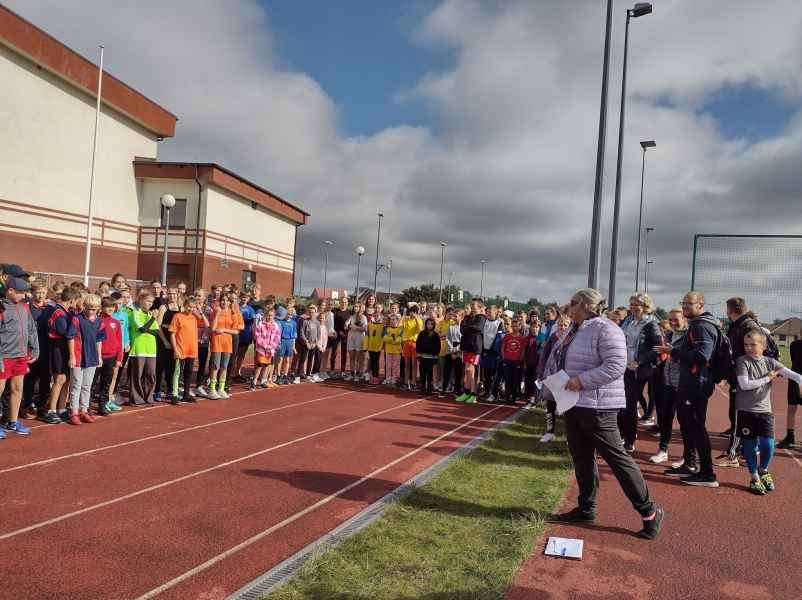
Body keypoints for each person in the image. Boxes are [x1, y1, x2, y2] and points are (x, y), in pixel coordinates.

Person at [546, 288, 663, 539]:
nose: (568, 306)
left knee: (617, 459)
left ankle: (650, 512)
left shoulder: (607, 329)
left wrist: (581, 381)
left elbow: (616, 365)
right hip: (574, 403)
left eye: (573, 302)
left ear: (586, 305)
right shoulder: (574, 329)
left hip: (598, 406)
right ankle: (586, 508)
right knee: (582, 457)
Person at [654, 291, 721, 487]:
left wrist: (673, 351)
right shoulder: (697, 324)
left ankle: (707, 474)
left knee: (696, 426)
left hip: (696, 384)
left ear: (701, 305)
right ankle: (690, 464)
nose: (685, 307)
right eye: (683, 303)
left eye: (689, 304)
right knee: (687, 424)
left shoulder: (702, 326)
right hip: (690, 382)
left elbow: (702, 356)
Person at [735, 329, 802, 494]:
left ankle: (763, 470)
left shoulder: (771, 362)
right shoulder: (742, 361)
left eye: (753, 345)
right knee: (750, 445)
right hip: (746, 410)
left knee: (768, 445)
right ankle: (754, 477)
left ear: (763, 346)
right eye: (746, 345)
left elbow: (795, 376)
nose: (749, 348)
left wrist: (800, 383)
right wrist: (768, 378)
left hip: (765, 411)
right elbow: (745, 385)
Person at [718, 297, 778, 467]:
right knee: (741, 417)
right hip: (740, 377)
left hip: (747, 380)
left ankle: (734, 455)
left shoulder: (748, 326)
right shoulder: (738, 326)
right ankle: (745, 452)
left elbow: (761, 353)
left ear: (730, 310)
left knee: (739, 417)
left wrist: (750, 375)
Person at [651, 309, 695, 469]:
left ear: (684, 319)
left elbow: (692, 357)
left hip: (683, 384)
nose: (673, 323)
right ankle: (663, 450)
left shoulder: (689, 335)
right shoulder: (669, 335)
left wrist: (673, 353)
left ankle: (687, 456)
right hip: (668, 382)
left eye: (676, 320)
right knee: (665, 417)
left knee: (685, 421)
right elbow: (663, 355)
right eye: (670, 320)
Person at [620, 293, 663, 452]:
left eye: (636, 304)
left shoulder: (651, 324)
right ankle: (622, 435)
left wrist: (639, 361)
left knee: (630, 404)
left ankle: (629, 440)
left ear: (645, 307)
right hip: (623, 367)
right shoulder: (629, 321)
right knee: (621, 403)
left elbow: (657, 348)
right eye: (631, 304)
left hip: (639, 370)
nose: (633, 307)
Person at [0, 277, 39, 436]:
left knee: (17, 389)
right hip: (4, 357)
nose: (24, 296)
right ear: (10, 291)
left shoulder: (24, 307)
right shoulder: (1, 308)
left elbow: (31, 329)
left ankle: (13, 422)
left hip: (21, 356)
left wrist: (35, 348)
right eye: (20, 292)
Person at [67, 294, 106, 425]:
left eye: (94, 309)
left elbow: (99, 339)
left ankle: (84, 410)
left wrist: (99, 356)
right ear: (84, 306)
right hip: (78, 357)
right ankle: (74, 412)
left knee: (87, 386)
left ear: (98, 308)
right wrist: (72, 356)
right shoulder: (77, 319)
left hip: (92, 357)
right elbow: (71, 337)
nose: (91, 311)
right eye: (88, 308)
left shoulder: (100, 321)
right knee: (76, 385)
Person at [44, 288, 80, 422]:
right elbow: (64, 331)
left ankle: (62, 408)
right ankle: (51, 410)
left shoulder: (67, 312)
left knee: (67, 379)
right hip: (58, 348)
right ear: (72, 300)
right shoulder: (58, 312)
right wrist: (75, 320)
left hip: (64, 348)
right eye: (76, 301)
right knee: (59, 379)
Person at [537, 315, 571, 442]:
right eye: (561, 325)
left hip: (566, 376)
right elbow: (544, 357)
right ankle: (549, 432)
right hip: (552, 375)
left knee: (568, 407)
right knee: (550, 405)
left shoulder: (572, 338)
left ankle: (570, 435)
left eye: (565, 325)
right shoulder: (552, 337)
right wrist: (541, 373)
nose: (563, 327)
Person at [169, 296, 207, 403]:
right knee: (178, 372)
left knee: (188, 372)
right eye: (189, 306)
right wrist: (175, 349)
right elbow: (172, 334)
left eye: (193, 307)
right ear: (184, 305)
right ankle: (175, 394)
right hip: (181, 349)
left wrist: (199, 311)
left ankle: (186, 394)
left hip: (192, 350)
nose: (191, 309)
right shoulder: (177, 316)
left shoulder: (194, 317)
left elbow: (207, 324)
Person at [22, 283, 51, 419]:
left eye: (43, 292)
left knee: (45, 379)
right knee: (30, 380)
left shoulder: (49, 308)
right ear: (32, 293)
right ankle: (27, 405)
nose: (40, 295)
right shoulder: (27, 308)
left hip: (46, 349)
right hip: (31, 349)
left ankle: (42, 406)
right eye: (38, 292)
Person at [128, 290, 161, 405]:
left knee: (150, 374)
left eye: (151, 302)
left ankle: (148, 397)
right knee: (137, 375)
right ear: (141, 300)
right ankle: (137, 399)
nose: (150, 304)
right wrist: (152, 320)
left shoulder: (150, 314)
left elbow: (156, 332)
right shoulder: (135, 313)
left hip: (151, 349)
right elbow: (142, 329)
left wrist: (148, 326)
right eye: (148, 301)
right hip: (139, 348)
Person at [94, 297, 124, 415]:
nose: (110, 309)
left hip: (111, 357)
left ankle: (102, 406)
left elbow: (119, 341)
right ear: (101, 308)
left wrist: (119, 358)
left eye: (112, 306)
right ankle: (86, 407)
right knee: (92, 383)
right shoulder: (96, 320)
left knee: (106, 383)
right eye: (107, 306)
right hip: (97, 357)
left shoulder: (116, 322)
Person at [207, 295, 238, 399]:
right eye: (222, 300)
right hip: (217, 342)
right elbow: (213, 328)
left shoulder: (233, 313)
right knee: (215, 366)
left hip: (227, 343)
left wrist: (224, 330)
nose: (224, 302)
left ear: (229, 302)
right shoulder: (216, 311)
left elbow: (236, 331)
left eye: (226, 300)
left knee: (224, 367)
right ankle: (212, 389)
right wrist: (217, 314)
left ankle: (221, 388)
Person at [457, 299, 486, 404]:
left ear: (479, 307)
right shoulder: (467, 317)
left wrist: (467, 328)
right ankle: (466, 392)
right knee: (466, 370)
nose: (472, 306)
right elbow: (462, 329)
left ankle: (473, 394)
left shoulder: (481, 317)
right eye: (471, 304)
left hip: (475, 346)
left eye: (474, 305)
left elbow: (478, 328)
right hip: (466, 346)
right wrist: (468, 328)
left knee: (471, 369)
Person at [155, 287, 179, 401]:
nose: (172, 296)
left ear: (178, 294)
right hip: (163, 339)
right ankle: (157, 390)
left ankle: (170, 390)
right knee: (160, 367)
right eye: (169, 293)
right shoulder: (163, 307)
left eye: (174, 293)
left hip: (176, 341)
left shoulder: (181, 307)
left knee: (172, 367)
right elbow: (158, 325)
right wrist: (165, 341)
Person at [778, 336, 802, 448]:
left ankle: (790, 437)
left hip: (794, 378)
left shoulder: (794, 345)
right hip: (795, 379)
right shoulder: (794, 345)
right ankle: (790, 437)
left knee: (791, 409)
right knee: (791, 408)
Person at [252, 307, 281, 389]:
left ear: (274, 316)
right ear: (265, 315)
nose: (269, 317)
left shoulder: (275, 326)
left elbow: (277, 337)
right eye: (268, 315)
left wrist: (272, 346)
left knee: (266, 365)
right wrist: (265, 346)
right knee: (260, 365)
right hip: (261, 350)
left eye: (271, 315)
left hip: (270, 350)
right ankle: (254, 381)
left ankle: (263, 381)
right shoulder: (260, 325)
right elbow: (258, 337)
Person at [501, 317, 527, 405]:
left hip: (516, 361)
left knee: (515, 380)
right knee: (507, 379)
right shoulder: (507, 336)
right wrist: (504, 358)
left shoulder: (522, 338)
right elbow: (503, 347)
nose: (514, 328)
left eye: (516, 326)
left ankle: (513, 397)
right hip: (507, 361)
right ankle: (507, 396)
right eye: (513, 326)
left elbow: (523, 350)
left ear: (519, 327)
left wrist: (520, 360)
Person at [481, 305, 502, 399]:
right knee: (486, 373)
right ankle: (486, 391)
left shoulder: (499, 323)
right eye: (487, 312)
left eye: (490, 312)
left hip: (493, 352)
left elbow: (499, 338)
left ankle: (493, 393)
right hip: (485, 351)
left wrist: (493, 349)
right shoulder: (485, 321)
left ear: (496, 312)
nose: (488, 314)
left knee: (493, 374)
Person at [416, 317, 441, 395]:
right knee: (422, 373)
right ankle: (422, 388)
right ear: (426, 324)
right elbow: (418, 344)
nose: (429, 325)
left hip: (431, 358)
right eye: (428, 324)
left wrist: (436, 355)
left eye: (431, 324)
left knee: (430, 374)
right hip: (423, 357)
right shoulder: (422, 333)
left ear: (434, 325)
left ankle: (429, 388)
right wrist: (418, 353)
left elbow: (438, 346)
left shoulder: (435, 335)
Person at [400, 304, 423, 390]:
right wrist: (403, 315)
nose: (411, 314)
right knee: (407, 364)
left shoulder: (419, 320)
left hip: (415, 343)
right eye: (410, 312)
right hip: (406, 343)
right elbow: (399, 326)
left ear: (416, 313)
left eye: (413, 312)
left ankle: (413, 382)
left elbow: (420, 330)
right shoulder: (406, 319)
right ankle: (406, 382)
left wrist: (416, 318)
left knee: (414, 364)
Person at [442, 308, 463, 397]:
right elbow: (448, 339)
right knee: (446, 371)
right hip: (450, 352)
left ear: (461, 317)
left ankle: (457, 390)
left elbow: (463, 341)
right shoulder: (451, 327)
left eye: (456, 316)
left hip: (459, 353)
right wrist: (452, 352)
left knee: (458, 373)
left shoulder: (464, 328)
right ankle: (444, 389)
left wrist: (456, 351)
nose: (453, 318)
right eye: (453, 316)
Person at [298, 304, 321, 381]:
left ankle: (308, 375)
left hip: (313, 344)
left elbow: (318, 334)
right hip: (306, 344)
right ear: (308, 313)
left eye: (313, 312)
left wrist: (315, 343)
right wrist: (306, 342)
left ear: (315, 313)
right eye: (310, 312)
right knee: (302, 359)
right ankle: (298, 375)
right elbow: (302, 333)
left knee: (310, 359)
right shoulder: (305, 321)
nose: (312, 314)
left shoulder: (317, 322)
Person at [275, 305, 297, 385]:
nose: (289, 316)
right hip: (282, 341)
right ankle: (278, 375)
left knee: (287, 360)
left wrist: (293, 346)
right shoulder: (281, 322)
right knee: (280, 359)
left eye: (290, 314)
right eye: (288, 314)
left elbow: (294, 335)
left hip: (290, 342)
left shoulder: (294, 323)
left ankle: (285, 375)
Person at [345, 303, 368, 382]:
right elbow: (346, 326)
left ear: (360, 308)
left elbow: (364, 329)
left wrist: (355, 327)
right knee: (351, 357)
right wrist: (347, 325)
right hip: (351, 338)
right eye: (355, 306)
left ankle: (357, 375)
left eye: (357, 307)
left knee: (358, 358)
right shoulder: (351, 317)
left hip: (359, 339)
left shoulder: (363, 317)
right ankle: (352, 374)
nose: (355, 308)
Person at [330, 296, 351, 377]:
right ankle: (332, 370)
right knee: (334, 353)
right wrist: (338, 331)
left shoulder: (349, 312)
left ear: (347, 303)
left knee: (344, 353)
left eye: (345, 302)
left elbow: (350, 324)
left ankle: (343, 371)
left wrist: (346, 332)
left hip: (345, 335)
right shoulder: (335, 311)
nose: (344, 303)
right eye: (342, 302)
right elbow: (332, 323)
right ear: (340, 302)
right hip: (336, 335)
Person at [382, 314, 403, 386]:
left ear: (397, 320)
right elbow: (384, 338)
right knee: (388, 365)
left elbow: (400, 339)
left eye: (394, 320)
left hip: (397, 351)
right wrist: (391, 339)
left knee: (395, 366)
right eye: (391, 320)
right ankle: (388, 379)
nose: (392, 321)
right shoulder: (387, 329)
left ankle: (394, 379)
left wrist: (395, 341)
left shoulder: (400, 329)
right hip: (388, 350)